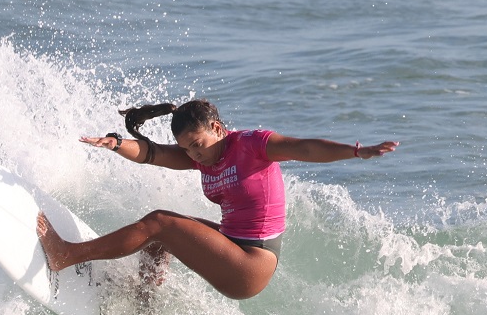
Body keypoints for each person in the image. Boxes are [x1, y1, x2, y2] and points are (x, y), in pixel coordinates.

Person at [37, 99, 398, 300]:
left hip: (251, 264)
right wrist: (116, 144)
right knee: (161, 239)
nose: (195, 156)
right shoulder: (201, 157)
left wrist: (357, 152)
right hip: (234, 248)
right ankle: (141, 300)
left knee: (160, 221)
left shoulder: (253, 145)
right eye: (187, 149)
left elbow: (305, 147)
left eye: (198, 144)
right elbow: (152, 154)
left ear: (217, 129)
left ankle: (66, 255)